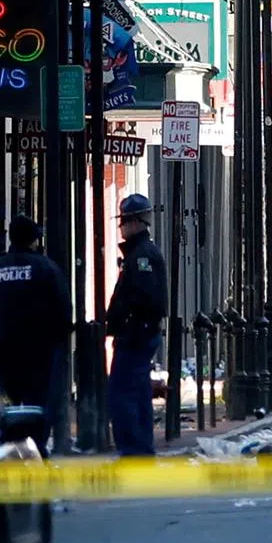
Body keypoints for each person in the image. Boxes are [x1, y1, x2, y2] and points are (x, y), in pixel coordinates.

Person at [0, 215, 71, 457]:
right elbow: (63, 310)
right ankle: (37, 450)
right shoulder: (46, 269)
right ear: (34, 240)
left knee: (7, 407)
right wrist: (57, 339)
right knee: (38, 404)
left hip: (5, 353)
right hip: (40, 353)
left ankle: (11, 452)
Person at [106, 194, 168, 456]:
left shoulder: (142, 256)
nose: (121, 228)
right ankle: (140, 446)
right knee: (138, 390)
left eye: (124, 223)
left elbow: (142, 298)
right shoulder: (140, 254)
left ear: (136, 222)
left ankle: (134, 447)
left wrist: (124, 320)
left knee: (123, 392)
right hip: (137, 333)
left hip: (136, 335)